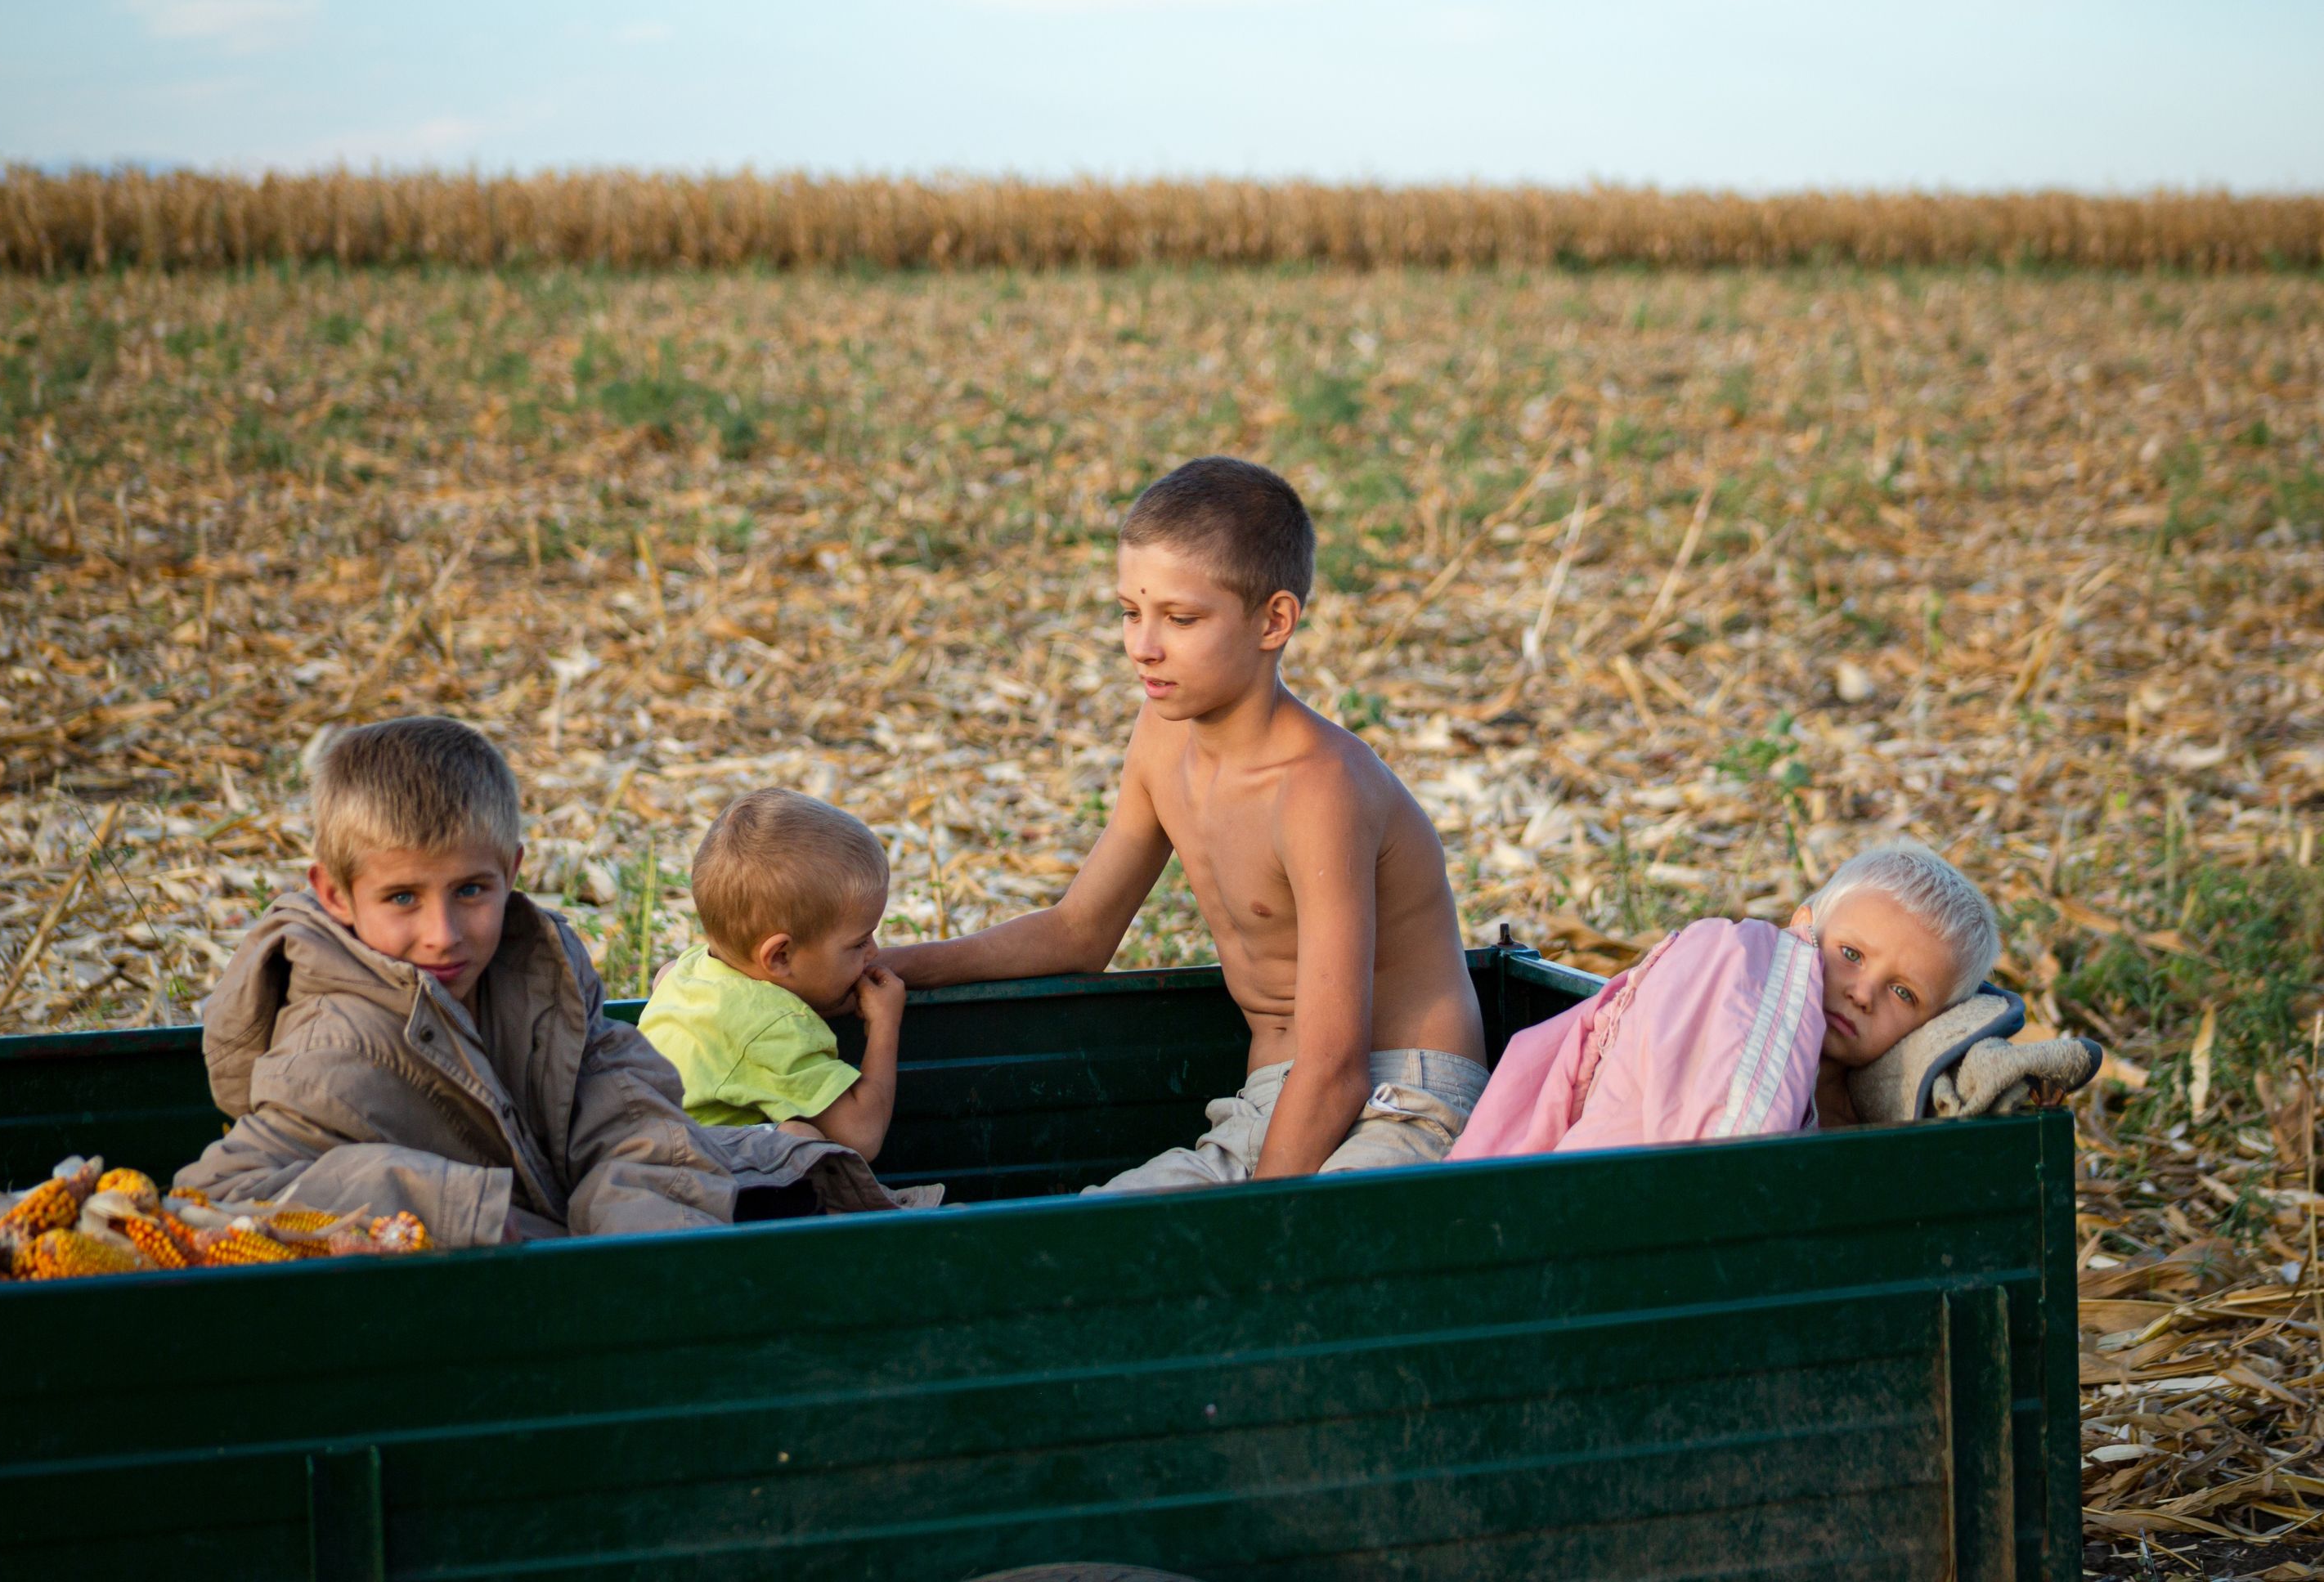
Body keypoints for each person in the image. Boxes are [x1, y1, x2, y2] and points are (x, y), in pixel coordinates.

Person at [877, 455, 1491, 1190]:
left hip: (1404, 1102)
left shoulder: (1319, 790)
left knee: (1297, 1260)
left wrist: (1253, 1230)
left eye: (1181, 618)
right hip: (1270, 1103)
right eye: (1131, 613)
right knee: (1106, 1239)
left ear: (1275, 620)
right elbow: (1080, 931)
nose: (1143, 646)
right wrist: (889, 967)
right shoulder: (1163, 739)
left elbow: (1336, 1068)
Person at [174, 716, 926, 1246]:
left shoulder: (538, 979)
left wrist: (640, 1234)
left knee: (795, 1174)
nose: (443, 932)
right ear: (336, 896)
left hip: (571, 1250)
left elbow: (621, 1111)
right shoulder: (330, 1047)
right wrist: (447, 1204)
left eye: (471, 890)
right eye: (402, 898)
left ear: (512, 873)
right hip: (466, 1295)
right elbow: (218, 1197)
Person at [1446, 839, 2000, 1162]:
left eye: (1903, 993)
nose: (1862, 992)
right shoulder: (1740, 975)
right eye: (1851, 954)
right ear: (1803, 928)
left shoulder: (1871, 1117)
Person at [638, 790, 905, 1162]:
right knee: (801, 1142)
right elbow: (861, 1136)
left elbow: (662, 977)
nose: (874, 952)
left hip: (634, 1162)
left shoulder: (686, 970)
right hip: (687, 1189)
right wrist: (885, 1026)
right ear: (779, 957)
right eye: (859, 943)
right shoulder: (774, 1025)